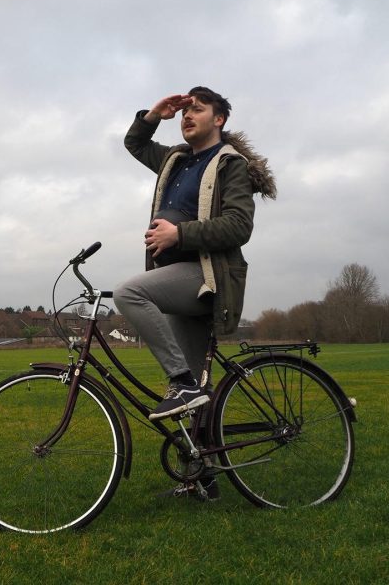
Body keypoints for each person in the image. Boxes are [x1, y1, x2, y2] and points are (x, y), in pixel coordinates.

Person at [115, 86, 276, 424]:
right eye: (185, 111)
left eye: (198, 109)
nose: (187, 116)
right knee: (196, 395)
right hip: (176, 281)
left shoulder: (230, 164)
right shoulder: (175, 160)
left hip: (206, 278)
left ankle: (181, 382)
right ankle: (201, 475)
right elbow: (136, 144)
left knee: (128, 292)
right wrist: (155, 115)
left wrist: (178, 234)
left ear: (219, 119)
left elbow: (238, 226)